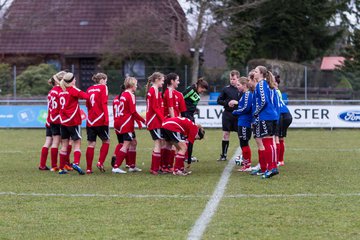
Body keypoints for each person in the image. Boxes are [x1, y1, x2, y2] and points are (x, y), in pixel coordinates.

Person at [112, 77, 145, 174]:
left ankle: (132, 166)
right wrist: (143, 120)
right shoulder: (130, 95)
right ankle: (116, 167)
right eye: (136, 84)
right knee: (126, 144)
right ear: (131, 85)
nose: (137, 86)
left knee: (133, 142)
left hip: (123, 121)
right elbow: (133, 111)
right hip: (126, 123)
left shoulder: (123, 94)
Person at [58, 72, 89, 175]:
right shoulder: (72, 90)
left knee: (64, 145)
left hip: (63, 122)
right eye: (74, 79)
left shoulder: (62, 92)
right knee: (77, 142)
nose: (76, 80)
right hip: (73, 121)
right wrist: (77, 88)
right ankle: (76, 163)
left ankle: (61, 168)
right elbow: (86, 96)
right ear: (72, 81)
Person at [252, 66, 279, 179]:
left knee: (267, 142)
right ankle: (271, 167)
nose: (254, 72)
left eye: (256, 71)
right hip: (270, 116)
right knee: (269, 142)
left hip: (266, 116)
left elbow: (264, 101)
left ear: (261, 74)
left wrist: (256, 112)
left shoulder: (261, 84)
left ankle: (272, 168)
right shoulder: (264, 84)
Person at [38, 71, 66, 171]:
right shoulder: (60, 91)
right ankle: (54, 165)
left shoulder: (51, 91)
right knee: (57, 142)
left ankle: (42, 165)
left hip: (49, 119)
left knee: (48, 142)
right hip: (57, 120)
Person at [161, 73, 187, 172]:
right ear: (172, 81)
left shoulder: (179, 95)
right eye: (177, 80)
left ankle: (166, 166)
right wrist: (175, 121)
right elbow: (169, 108)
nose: (179, 82)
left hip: (172, 123)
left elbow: (181, 111)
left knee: (168, 144)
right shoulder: (166, 92)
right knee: (174, 145)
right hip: (170, 123)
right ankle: (169, 166)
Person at [85, 73, 110, 174]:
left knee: (91, 144)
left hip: (90, 120)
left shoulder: (89, 89)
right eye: (106, 80)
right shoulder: (104, 87)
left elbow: (87, 104)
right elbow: (104, 103)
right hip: (100, 119)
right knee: (106, 141)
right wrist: (107, 118)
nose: (106, 82)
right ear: (102, 80)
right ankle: (100, 162)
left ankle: (88, 168)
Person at [216, 70, 242, 161]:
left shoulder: (242, 89)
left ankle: (242, 156)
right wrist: (227, 103)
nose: (232, 81)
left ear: (238, 78)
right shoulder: (226, 89)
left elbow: (246, 103)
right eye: (231, 79)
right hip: (227, 115)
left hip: (238, 115)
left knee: (241, 135)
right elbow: (219, 101)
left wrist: (237, 103)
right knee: (226, 134)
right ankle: (224, 155)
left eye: (234, 79)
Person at [182, 77, 208, 163]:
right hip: (186, 114)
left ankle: (187, 155)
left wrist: (194, 109)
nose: (202, 91)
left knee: (191, 135)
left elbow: (190, 102)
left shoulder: (196, 91)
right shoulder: (191, 90)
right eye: (202, 89)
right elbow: (181, 98)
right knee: (189, 135)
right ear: (198, 86)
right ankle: (185, 156)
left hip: (190, 114)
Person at [145, 72, 165, 175]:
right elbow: (155, 107)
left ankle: (155, 168)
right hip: (154, 120)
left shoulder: (153, 89)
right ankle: (155, 169)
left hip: (153, 120)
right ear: (157, 80)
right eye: (162, 80)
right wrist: (163, 119)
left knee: (159, 142)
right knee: (158, 143)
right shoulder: (154, 89)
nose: (163, 82)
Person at [232, 76, 253, 172]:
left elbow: (246, 108)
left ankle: (247, 165)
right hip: (242, 121)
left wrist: (235, 112)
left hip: (245, 122)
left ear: (244, 85)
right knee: (243, 143)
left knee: (244, 143)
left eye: (238, 85)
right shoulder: (244, 94)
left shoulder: (248, 94)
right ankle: (246, 164)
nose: (237, 87)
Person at [274, 75, 292, 166]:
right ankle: (280, 160)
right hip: (287, 115)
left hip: (281, 115)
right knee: (281, 138)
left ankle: (278, 160)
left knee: (276, 137)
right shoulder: (278, 91)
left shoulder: (274, 91)